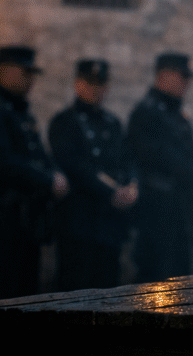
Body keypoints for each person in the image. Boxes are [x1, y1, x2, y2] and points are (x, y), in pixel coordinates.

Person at [0, 45, 69, 299]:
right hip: (2, 219)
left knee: (25, 294)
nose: (30, 79)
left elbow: (38, 155)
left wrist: (55, 175)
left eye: (32, 73)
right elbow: (1, 164)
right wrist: (47, 180)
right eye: (25, 72)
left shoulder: (18, 112)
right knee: (5, 296)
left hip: (24, 222)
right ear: (4, 71)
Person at [48, 59, 137, 291]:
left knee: (108, 285)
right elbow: (73, 165)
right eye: (90, 83)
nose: (96, 90)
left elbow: (126, 158)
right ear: (78, 84)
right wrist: (111, 191)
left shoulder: (112, 123)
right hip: (79, 221)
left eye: (101, 84)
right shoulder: (65, 122)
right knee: (76, 286)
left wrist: (131, 185)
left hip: (109, 222)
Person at [123, 52, 193, 283]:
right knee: (157, 278)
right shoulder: (146, 113)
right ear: (164, 76)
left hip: (181, 207)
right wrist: (189, 171)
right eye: (182, 77)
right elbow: (155, 156)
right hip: (156, 208)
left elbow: (191, 152)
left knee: (181, 276)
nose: (186, 83)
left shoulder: (178, 113)